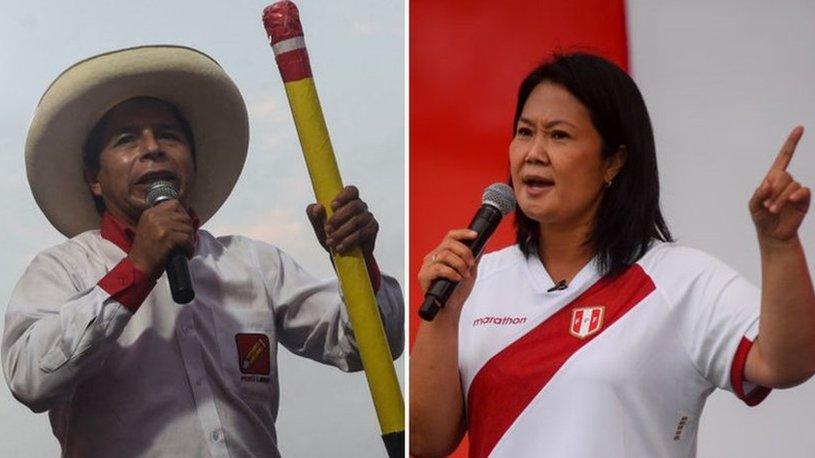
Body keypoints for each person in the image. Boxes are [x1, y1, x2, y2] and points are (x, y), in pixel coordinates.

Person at [2, 45, 403, 457]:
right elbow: (30, 378)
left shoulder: (252, 263)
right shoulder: (63, 270)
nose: (152, 148)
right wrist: (138, 268)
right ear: (94, 179)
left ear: (191, 162)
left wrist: (356, 262)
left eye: (169, 136)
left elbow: (371, 347)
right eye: (127, 140)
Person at [410, 53, 814, 457]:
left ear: (613, 162)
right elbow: (423, 443)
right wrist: (443, 316)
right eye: (524, 132)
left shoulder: (679, 280)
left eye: (558, 135)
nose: (533, 152)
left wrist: (779, 246)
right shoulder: (476, 282)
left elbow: (787, 364)